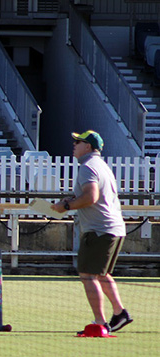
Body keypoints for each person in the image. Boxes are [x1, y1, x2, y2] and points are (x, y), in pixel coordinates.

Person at [53, 130, 133, 333]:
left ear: (88, 147)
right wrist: (68, 202)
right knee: (101, 274)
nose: (74, 145)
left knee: (87, 275)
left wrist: (67, 207)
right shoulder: (101, 166)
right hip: (113, 228)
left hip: (99, 230)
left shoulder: (87, 167)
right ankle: (119, 313)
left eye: (78, 142)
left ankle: (100, 323)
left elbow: (91, 197)